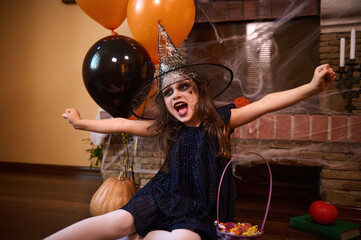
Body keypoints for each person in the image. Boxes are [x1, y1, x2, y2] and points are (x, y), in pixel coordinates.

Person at [47, 24, 336, 240]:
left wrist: (311, 87)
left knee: (183, 238)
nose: (176, 95)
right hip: (163, 194)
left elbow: (267, 102)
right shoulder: (167, 127)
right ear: (166, 102)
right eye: (169, 92)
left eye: (184, 87)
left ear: (198, 92)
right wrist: (81, 122)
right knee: (119, 220)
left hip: (201, 206)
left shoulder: (220, 121)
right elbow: (121, 123)